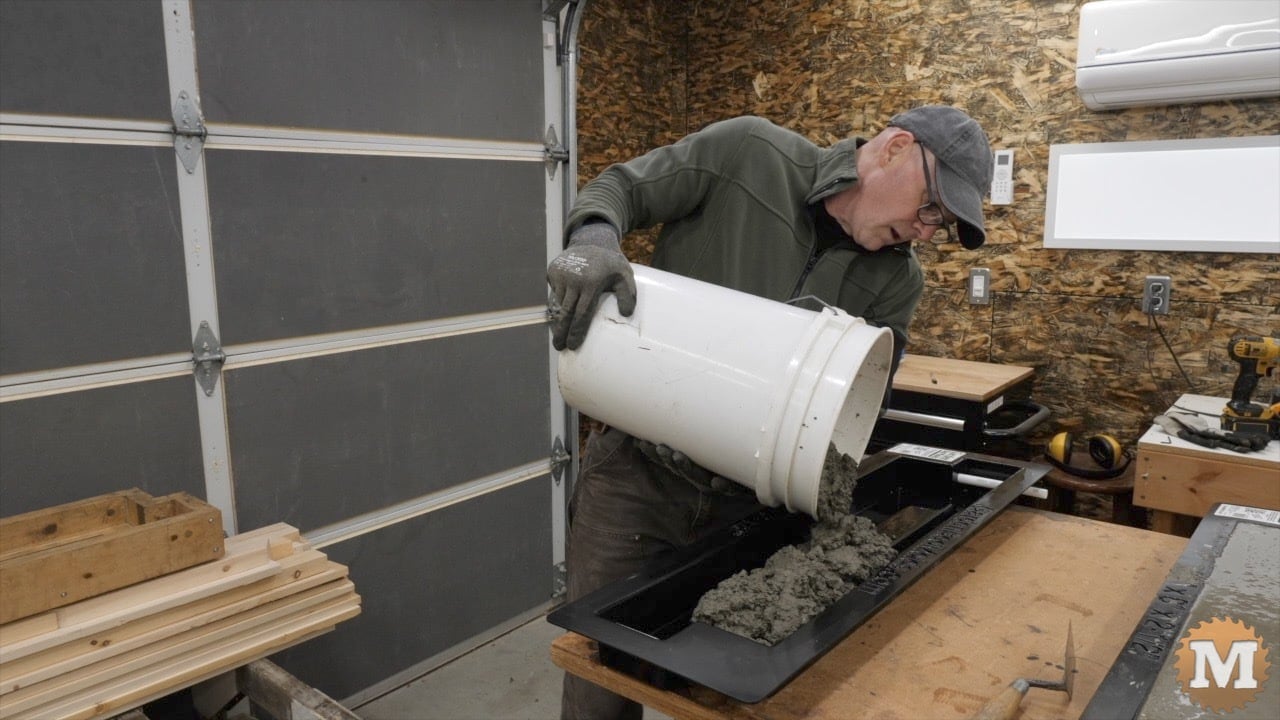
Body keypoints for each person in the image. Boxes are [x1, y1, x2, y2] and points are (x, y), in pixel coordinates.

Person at [547, 106, 994, 720]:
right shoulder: (749, 154)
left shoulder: (898, 281)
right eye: (931, 206)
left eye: (940, 224)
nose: (925, 231)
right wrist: (594, 237)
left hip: (749, 504)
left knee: (719, 690)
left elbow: (860, 404)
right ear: (894, 147)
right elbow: (619, 188)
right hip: (636, 483)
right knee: (601, 682)